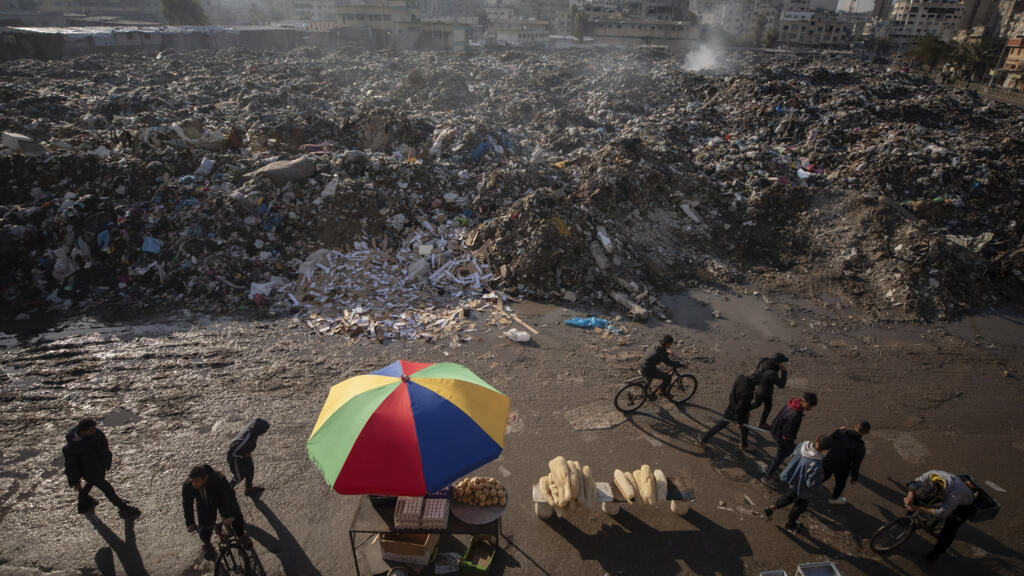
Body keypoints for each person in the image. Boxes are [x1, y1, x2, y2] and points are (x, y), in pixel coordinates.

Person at [62, 419, 141, 519]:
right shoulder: (71, 447)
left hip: (100, 466)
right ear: (83, 431)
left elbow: (104, 443)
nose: (95, 430)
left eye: (94, 428)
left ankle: (83, 502)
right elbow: (71, 466)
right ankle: (122, 506)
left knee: (90, 483)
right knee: (107, 488)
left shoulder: (96, 433)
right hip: (89, 471)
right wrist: (75, 481)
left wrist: (106, 458)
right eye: (92, 429)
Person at [764, 434, 833, 534]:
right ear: (826, 450)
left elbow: (793, 454)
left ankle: (772, 508)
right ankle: (790, 523)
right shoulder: (816, 463)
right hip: (802, 486)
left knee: (789, 495)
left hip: (792, 476)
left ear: (816, 440)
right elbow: (811, 484)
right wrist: (821, 477)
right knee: (800, 505)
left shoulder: (804, 444)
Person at [904, 470, 976, 564]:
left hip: (963, 506)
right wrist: (910, 497)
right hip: (947, 493)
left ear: (938, 493)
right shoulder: (932, 474)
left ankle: (933, 556)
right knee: (916, 498)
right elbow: (914, 484)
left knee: (949, 529)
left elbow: (943, 512)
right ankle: (907, 522)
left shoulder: (955, 494)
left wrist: (918, 508)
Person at [183, 464, 251, 560]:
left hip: (221, 499)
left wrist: (228, 515)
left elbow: (229, 498)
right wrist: (190, 523)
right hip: (203, 502)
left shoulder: (219, 479)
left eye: (197, 482)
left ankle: (241, 535)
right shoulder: (188, 485)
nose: (194, 484)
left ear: (205, 477)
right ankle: (207, 544)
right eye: (192, 482)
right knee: (204, 524)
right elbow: (187, 504)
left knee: (235, 516)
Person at [762, 392, 818, 482]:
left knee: (782, 454)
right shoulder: (795, 415)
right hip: (781, 435)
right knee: (782, 454)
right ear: (806, 402)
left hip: (776, 428)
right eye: (811, 406)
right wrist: (791, 446)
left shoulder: (793, 403)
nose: (810, 409)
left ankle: (770, 468)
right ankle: (767, 476)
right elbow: (787, 434)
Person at [697, 371, 757, 450]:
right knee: (744, 427)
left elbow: (732, 394)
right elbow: (739, 409)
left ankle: (703, 439)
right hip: (738, 412)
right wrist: (739, 422)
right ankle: (744, 445)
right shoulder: (748, 392)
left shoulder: (741, 378)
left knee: (721, 424)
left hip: (731, 407)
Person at [821, 421, 870, 505]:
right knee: (840, 484)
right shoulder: (861, 447)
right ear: (866, 433)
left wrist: (837, 431)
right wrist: (854, 477)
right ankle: (834, 498)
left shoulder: (840, 433)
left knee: (824, 475)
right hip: (842, 468)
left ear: (856, 426)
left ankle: (809, 485)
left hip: (829, 461)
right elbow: (856, 464)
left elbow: (828, 441)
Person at [227, 418, 270, 496]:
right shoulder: (245, 439)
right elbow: (232, 452)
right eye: (264, 431)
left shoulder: (253, 428)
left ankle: (248, 487)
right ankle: (227, 490)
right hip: (236, 456)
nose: (264, 433)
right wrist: (243, 455)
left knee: (250, 469)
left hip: (245, 451)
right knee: (239, 476)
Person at [747, 353, 788, 429]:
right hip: (765, 392)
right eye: (781, 362)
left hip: (757, 387)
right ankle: (762, 423)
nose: (782, 364)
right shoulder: (771, 373)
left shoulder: (765, 361)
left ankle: (742, 410)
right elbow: (782, 385)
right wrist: (784, 372)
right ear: (777, 362)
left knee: (756, 404)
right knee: (768, 407)